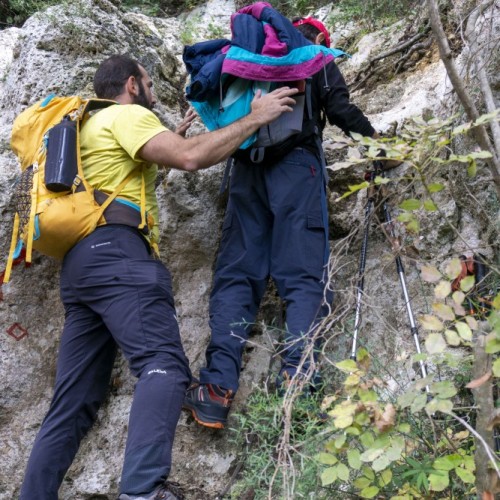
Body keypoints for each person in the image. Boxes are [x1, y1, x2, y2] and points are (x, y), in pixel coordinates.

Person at [18, 54, 298, 500]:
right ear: (132, 85)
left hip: (79, 268)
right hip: (119, 257)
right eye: (149, 84)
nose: (153, 93)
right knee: (164, 367)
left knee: (72, 404)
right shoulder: (126, 115)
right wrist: (255, 116)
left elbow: (120, 178)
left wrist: (164, 148)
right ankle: (142, 492)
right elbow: (190, 158)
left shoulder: (87, 126)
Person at [183, 17, 384, 430]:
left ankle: (216, 389)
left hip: (244, 172)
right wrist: (379, 148)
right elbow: (340, 108)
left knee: (237, 276)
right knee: (302, 274)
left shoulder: (244, 62)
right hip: (296, 169)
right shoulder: (311, 56)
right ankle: (298, 377)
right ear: (320, 39)